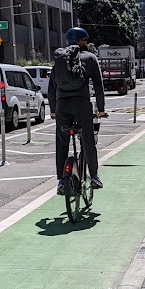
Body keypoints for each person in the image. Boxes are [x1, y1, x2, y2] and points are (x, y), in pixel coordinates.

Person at [48, 27, 106, 194]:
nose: (86, 43)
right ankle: (94, 176)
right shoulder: (90, 58)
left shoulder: (60, 58)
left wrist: (53, 110)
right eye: (85, 40)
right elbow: (98, 86)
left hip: (62, 106)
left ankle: (60, 181)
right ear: (80, 41)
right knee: (87, 139)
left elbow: (52, 87)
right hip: (81, 105)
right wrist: (101, 109)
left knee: (62, 142)